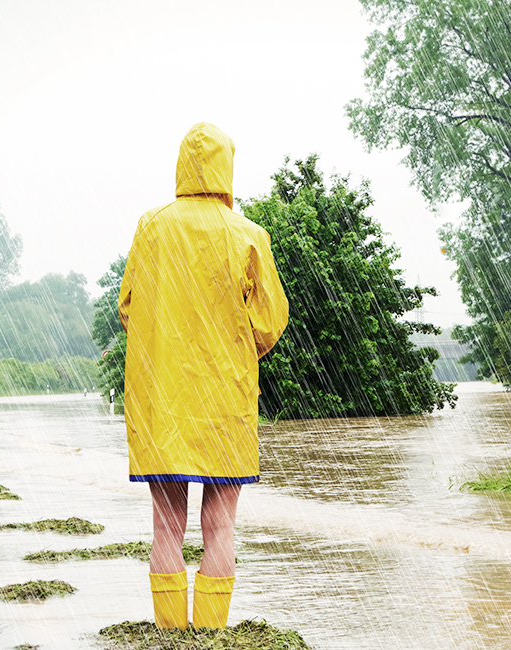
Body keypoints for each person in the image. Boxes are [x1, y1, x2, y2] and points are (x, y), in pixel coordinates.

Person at [118, 122, 288, 630]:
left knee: (166, 526)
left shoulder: (152, 227)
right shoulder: (248, 236)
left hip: (162, 401)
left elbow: (127, 308)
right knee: (220, 526)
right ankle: (212, 638)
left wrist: (165, 338)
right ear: (227, 170)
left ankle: (171, 639)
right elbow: (271, 320)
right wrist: (234, 345)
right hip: (225, 403)